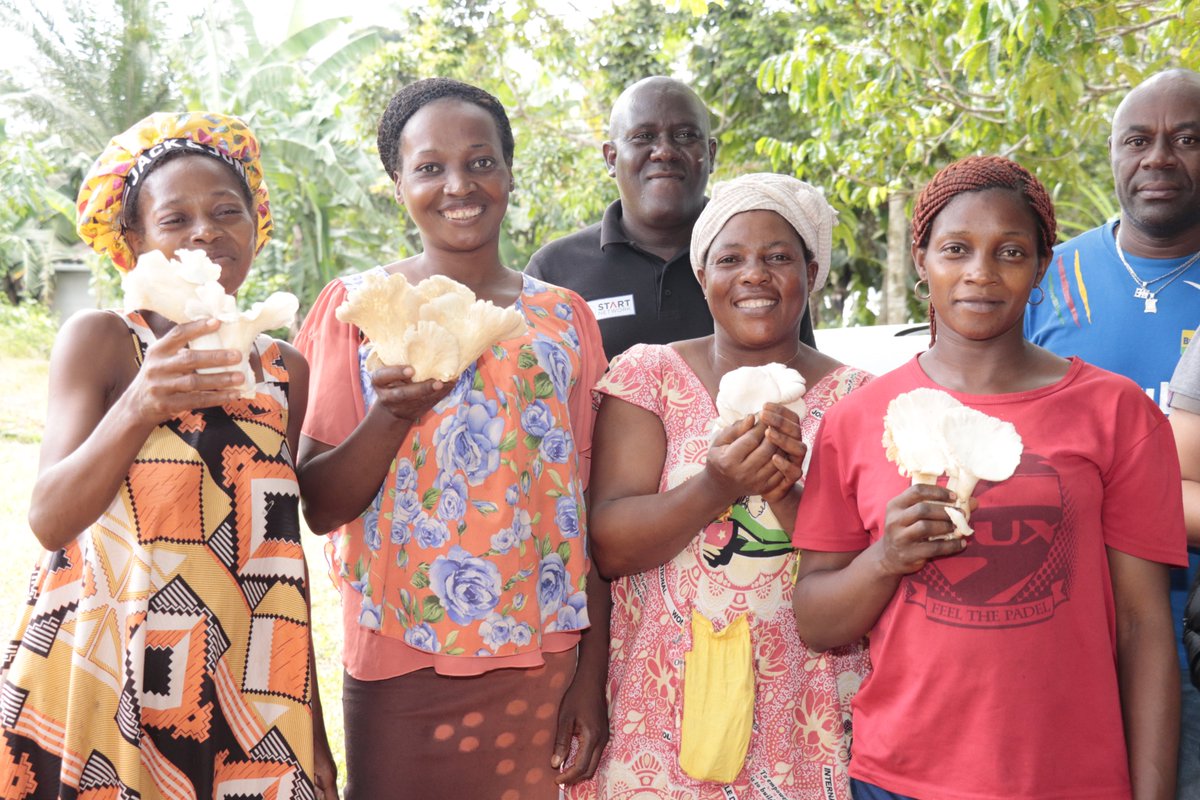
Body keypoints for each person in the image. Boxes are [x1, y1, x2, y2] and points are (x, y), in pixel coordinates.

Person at [793, 155, 1185, 800]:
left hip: (1074, 778)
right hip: (900, 778)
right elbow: (816, 620)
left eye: (1009, 251)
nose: (980, 273)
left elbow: (1145, 631)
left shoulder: (1117, 414)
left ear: (1040, 269)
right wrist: (885, 558)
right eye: (955, 249)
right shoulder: (857, 419)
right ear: (922, 261)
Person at [0, 112, 337, 798]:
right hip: (109, 667)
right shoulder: (103, 342)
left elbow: (280, 559)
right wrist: (142, 400)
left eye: (225, 212)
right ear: (134, 241)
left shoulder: (283, 368)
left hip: (248, 682)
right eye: (175, 218)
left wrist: (313, 732)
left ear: (255, 228)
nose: (205, 231)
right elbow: (49, 518)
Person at [293, 78, 609, 798]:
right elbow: (317, 503)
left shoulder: (565, 320)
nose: (459, 184)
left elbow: (587, 504)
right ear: (396, 182)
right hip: (403, 654)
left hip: (545, 654)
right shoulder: (360, 311)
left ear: (509, 170)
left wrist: (592, 674)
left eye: (481, 161)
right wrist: (391, 415)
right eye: (430, 167)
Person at [576, 173, 870, 798]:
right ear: (702, 276)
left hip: (804, 704)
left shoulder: (858, 400)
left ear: (811, 273)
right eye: (729, 259)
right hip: (660, 702)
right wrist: (715, 484)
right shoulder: (649, 376)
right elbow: (609, 547)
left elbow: (863, 569)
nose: (754, 275)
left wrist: (786, 492)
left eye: (778, 258)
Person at [1024, 67, 1200, 798]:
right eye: (1138, 139)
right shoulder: (1037, 278)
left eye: (1187, 139)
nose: (1158, 158)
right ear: (1112, 154)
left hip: (1187, 622)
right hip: (1058, 621)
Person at [525, 75, 816, 362]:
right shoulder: (554, 271)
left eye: (686, 135)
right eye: (643, 137)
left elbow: (806, 376)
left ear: (711, 154)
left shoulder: (765, 262)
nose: (664, 151)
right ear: (611, 158)